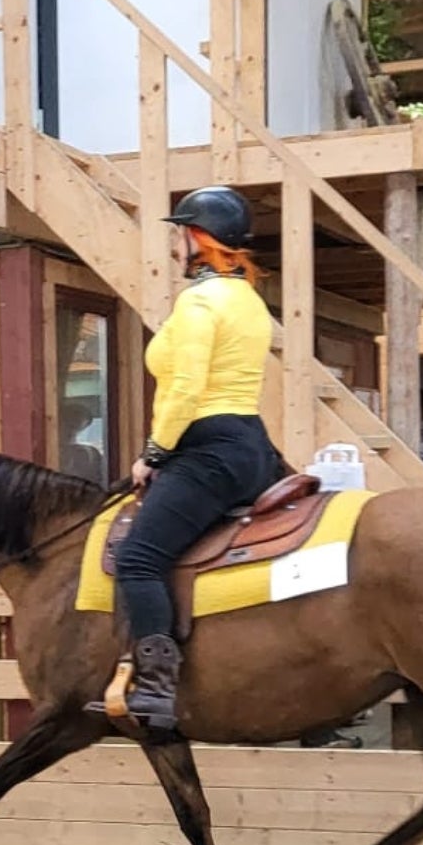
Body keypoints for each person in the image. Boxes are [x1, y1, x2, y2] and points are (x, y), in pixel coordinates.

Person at [112, 185, 282, 731]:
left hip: (208, 448)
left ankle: (156, 689)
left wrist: (153, 453)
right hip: (252, 445)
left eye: (179, 234)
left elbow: (186, 388)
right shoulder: (248, 299)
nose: (174, 246)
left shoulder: (199, 302)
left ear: (197, 238)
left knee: (138, 560)